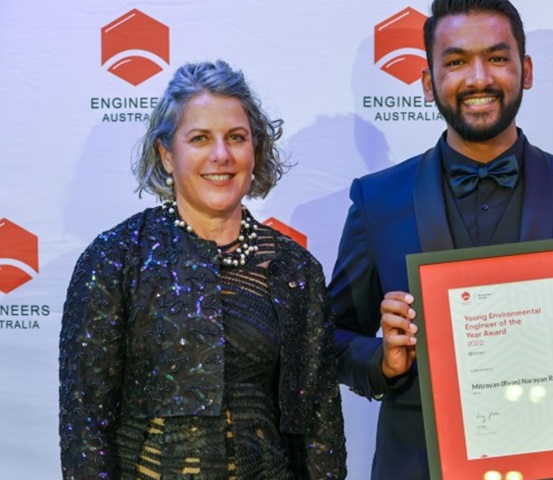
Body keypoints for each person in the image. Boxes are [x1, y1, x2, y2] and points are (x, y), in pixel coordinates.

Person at [328, 0, 553, 478]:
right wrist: (383, 360)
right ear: (426, 81)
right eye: (456, 62)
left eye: (497, 58)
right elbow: (331, 339)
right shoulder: (377, 201)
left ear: (527, 70)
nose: (478, 78)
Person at [59, 60, 347, 479]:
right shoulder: (115, 259)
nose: (221, 155)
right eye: (199, 138)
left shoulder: (293, 268)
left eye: (236, 137)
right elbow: (85, 428)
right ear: (166, 154)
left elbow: (319, 427)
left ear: (256, 149)